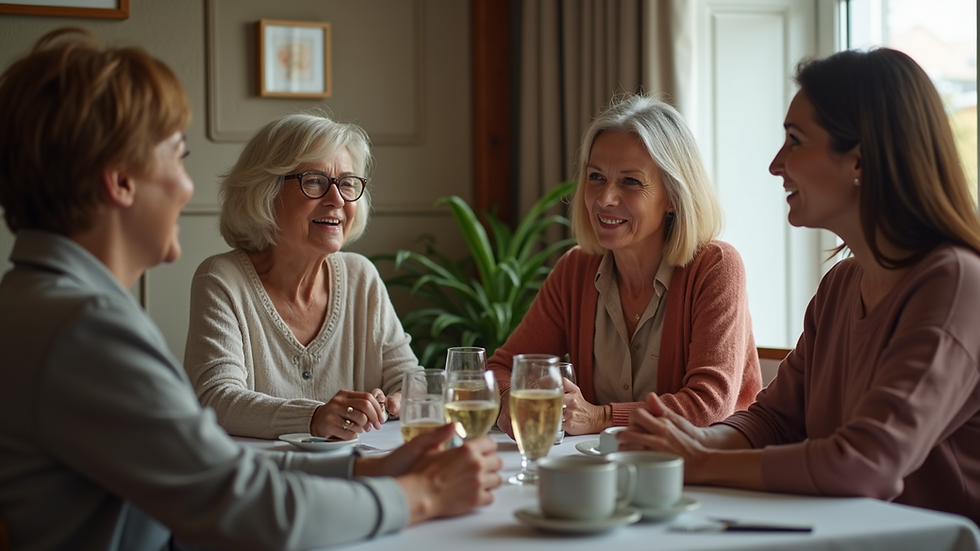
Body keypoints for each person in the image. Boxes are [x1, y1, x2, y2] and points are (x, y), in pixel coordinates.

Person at [0, 28, 502, 550]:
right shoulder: (87, 332)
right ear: (121, 181)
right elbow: (247, 507)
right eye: (177, 156)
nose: (188, 186)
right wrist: (424, 494)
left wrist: (361, 470)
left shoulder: (42, 306)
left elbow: (213, 471)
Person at [621, 48, 980, 524]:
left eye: (795, 140)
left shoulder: (955, 283)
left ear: (859, 159)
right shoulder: (840, 286)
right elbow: (773, 420)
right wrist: (690, 443)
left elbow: (866, 462)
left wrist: (701, 462)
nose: (776, 164)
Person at [489, 94, 762, 437]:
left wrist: (601, 417)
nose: (604, 198)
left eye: (630, 181)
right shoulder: (575, 271)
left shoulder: (716, 268)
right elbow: (502, 368)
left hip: (705, 464)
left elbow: (708, 405)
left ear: (673, 197)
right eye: (596, 177)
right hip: (599, 464)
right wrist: (508, 401)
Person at [183, 112, 418, 441]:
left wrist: (399, 399)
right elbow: (216, 399)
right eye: (315, 181)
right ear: (266, 191)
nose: (337, 200)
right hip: (259, 471)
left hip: (359, 466)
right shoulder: (222, 279)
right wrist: (314, 417)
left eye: (347, 183)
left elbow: (409, 378)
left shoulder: (361, 277)